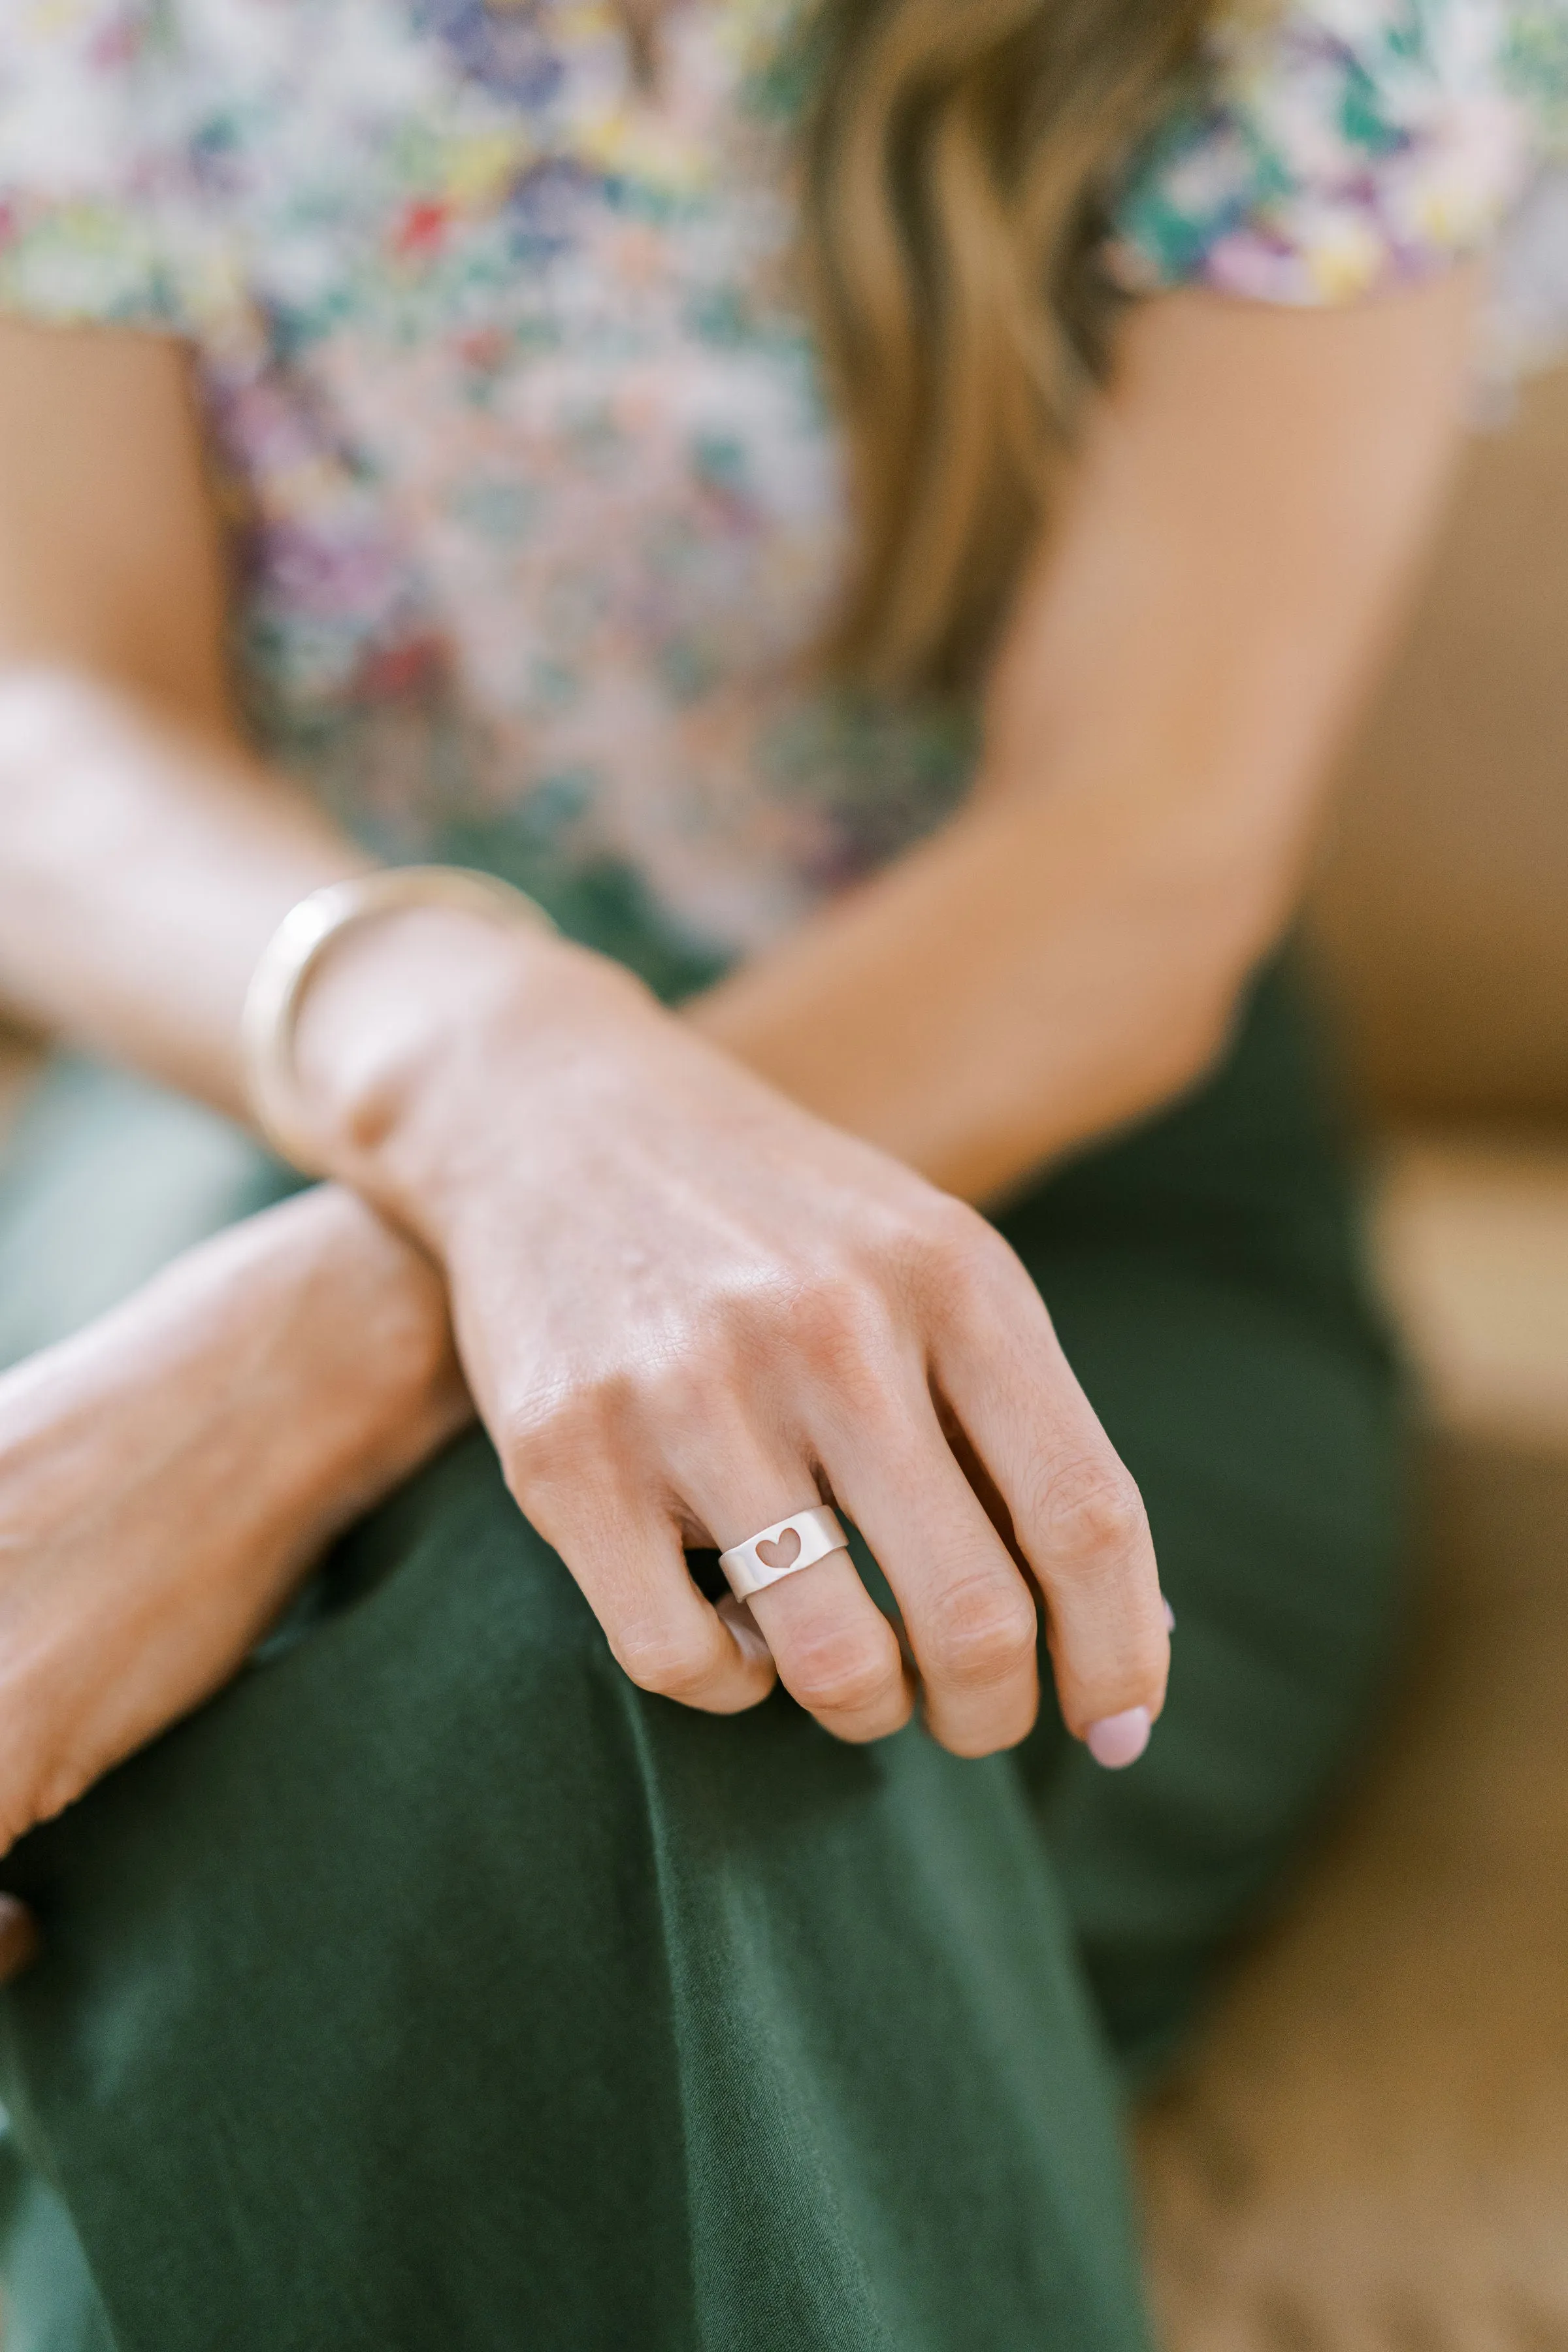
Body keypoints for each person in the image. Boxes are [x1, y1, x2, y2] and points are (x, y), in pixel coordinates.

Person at [0, 0, 1554, 2342]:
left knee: (603, 1676)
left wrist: (306, 1356)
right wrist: (500, 1089)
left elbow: (1129, 866)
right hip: (275, 1068)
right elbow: (57, 710)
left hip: (1054, 1157)